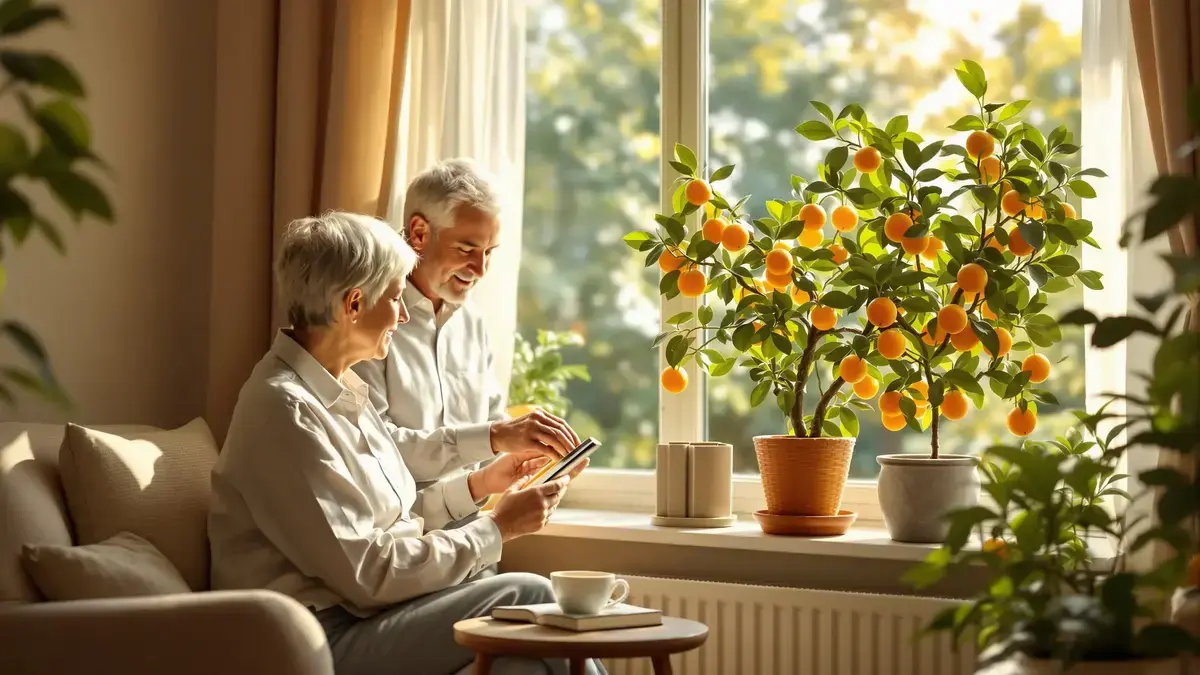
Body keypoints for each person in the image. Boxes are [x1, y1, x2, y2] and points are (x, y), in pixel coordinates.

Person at [208, 211, 604, 675]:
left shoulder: (346, 391)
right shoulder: (283, 410)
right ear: (353, 304)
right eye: (396, 297)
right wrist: (498, 528)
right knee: (530, 596)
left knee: (523, 669)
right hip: (319, 639)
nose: (401, 313)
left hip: (375, 617)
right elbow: (370, 574)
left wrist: (482, 484)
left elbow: (400, 519)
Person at [352, 159, 581, 490]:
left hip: (470, 529)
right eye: (467, 248)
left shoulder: (472, 323)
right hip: (399, 530)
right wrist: (494, 437)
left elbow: (489, 438)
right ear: (419, 233)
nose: (480, 268)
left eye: (490, 252)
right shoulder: (371, 317)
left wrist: (536, 462)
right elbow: (376, 446)